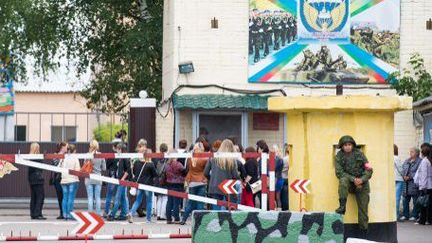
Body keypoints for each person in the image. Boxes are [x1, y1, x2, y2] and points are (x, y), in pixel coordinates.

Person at [335, 135, 373, 233]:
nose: (347, 147)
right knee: (343, 180)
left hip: (362, 185)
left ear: (352, 145)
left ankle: (364, 231)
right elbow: (339, 173)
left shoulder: (360, 154)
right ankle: (342, 206)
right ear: (342, 146)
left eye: (349, 144)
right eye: (345, 145)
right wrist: (353, 179)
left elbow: (369, 169)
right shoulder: (339, 156)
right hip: (349, 184)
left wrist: (362, 179)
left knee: (363, 210)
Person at [204, 139, 239, 210]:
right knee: (231, 209)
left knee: (216, 210)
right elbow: (235, 176)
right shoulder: (232, 159)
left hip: (215, 186)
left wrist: (212, 179)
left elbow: (205, 172)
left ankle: (217, 221)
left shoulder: (213, 157)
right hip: (228, 186)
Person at [129, 146, 158, 223]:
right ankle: (148, 219)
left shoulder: (137, 162)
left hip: (139, 184)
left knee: (138, 200)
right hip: (148, 185)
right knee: (149, 201)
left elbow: (134, 172)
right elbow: (155, 175)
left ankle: (131, 213)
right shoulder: (151, 164)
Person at [181, 143, 208, 225]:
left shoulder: (190, 158)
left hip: (192, 182)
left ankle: (184, 219)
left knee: (190, 203)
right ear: (202, 149)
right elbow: (206, 171)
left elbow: (189, 170)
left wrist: (187, 181)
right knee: (200, 203)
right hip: (201, 181)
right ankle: (199, 222)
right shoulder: (204, 159)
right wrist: (205, 179)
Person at [108, 143, 131, 222]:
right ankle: (124, 214)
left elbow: (128, 170)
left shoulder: (124, 158)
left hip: (122, 181)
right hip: (121, 180)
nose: (116, 151)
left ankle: (112, 215)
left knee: (117, 198)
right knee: (123, 198)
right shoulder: (121, 158)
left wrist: (122, 179)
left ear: (120, 149)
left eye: (117, 149)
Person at [85, 139, 106, 216]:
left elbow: (84, 166)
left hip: (89, 178)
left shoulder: (87, 155)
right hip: (98, 178)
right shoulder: (101, 155)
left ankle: (90, 214)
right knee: (97, 197)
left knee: (90, 197)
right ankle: (98, 213)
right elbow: (104, 168)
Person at [60, 144, 80, 220]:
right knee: (71, 198)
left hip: (64, 180)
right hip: (73, 179)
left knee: (65, 198)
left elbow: (60, 167)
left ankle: (64, 214)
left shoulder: (63, 157)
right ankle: (69, 214)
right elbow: (77, 169)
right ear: (74, 150)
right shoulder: (75, 158)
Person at [414, 143, 432, 225]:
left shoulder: (424, 161)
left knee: (423, 204)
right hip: (429, 184)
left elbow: (424, 174)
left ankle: (422, 220)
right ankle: (428, 220)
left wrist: (423, 186)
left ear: (422, 152)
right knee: (428, 203)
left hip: (425, 185)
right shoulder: (428, 160)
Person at [401, 147, 421, 221]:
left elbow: (418, 172)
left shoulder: (420, 161)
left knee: (415, 200)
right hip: (406, 184)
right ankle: (405, 215)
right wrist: (403, 176)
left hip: (414, 184)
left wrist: (410, 177)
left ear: (417, 153)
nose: (410, 153)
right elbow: (402, 168)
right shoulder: (407, 160)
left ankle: (414, 215)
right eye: (410, 151)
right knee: (405, 200)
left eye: (412, 152)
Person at [165, 151, 185, 224]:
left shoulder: (167, 165)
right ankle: (176, 218)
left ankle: (168, 218)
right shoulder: (179, 164)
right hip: (178, 184)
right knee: (176, 203)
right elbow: (184, 172)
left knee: (169, 202)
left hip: (169, 184)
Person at [28, 143, 46, 220]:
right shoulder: (37, 157)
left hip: (31, 179)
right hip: (38, 179)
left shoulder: (29, 156)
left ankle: (33, 213)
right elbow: (40, 167)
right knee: (40, 197)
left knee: (33, 197)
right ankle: (38, 214)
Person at [50, 142, 67, 219]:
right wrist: (61, 159)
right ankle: (62, 212)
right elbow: (54, 165)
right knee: (60, 196)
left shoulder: (67, 155)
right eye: (66, 146)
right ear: (62, 147)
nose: (67, 148)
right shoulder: (55, 155)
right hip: (58, 178)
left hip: (66, 177)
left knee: (65, 196)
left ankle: (65, 212)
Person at [104, 139, 120, 218]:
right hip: (120, 178)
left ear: (114, 147)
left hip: (112, 176)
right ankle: (117, 212)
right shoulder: (122, 155)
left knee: (109, 195)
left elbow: (107, 166)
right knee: (118, 196)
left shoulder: (111, 155)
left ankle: (106, 212)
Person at [154, 143, 169, 221]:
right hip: (164, 180)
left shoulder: (156, 158)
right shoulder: (167, 158)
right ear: (166, 149)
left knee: (159, 198)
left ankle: (158, 215)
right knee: (165, 198)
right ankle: (163, 215)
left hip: (157, 180)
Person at [272, 144, 284, 209]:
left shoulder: (278, 159)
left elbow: (274, 168)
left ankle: (278, 210)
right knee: (276, 196)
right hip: (278, 178)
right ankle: (277, 209)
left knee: (276, 196)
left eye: (273, 149)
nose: (272, 150)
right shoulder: (278, 159)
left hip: (277, 179)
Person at [394, 144, 404, 220]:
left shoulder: (387, 157)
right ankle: (396, 215)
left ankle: (392, 215)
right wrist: (404, 175)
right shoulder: (396, 158)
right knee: (397, 198)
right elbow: (400, 168)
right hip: (398, 179)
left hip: (392, 179)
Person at [281, 144, 289, 211]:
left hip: (283, 178)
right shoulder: (293, 159)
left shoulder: (284, 159)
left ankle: (285, 209)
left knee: (284, 195)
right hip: (289, 178)